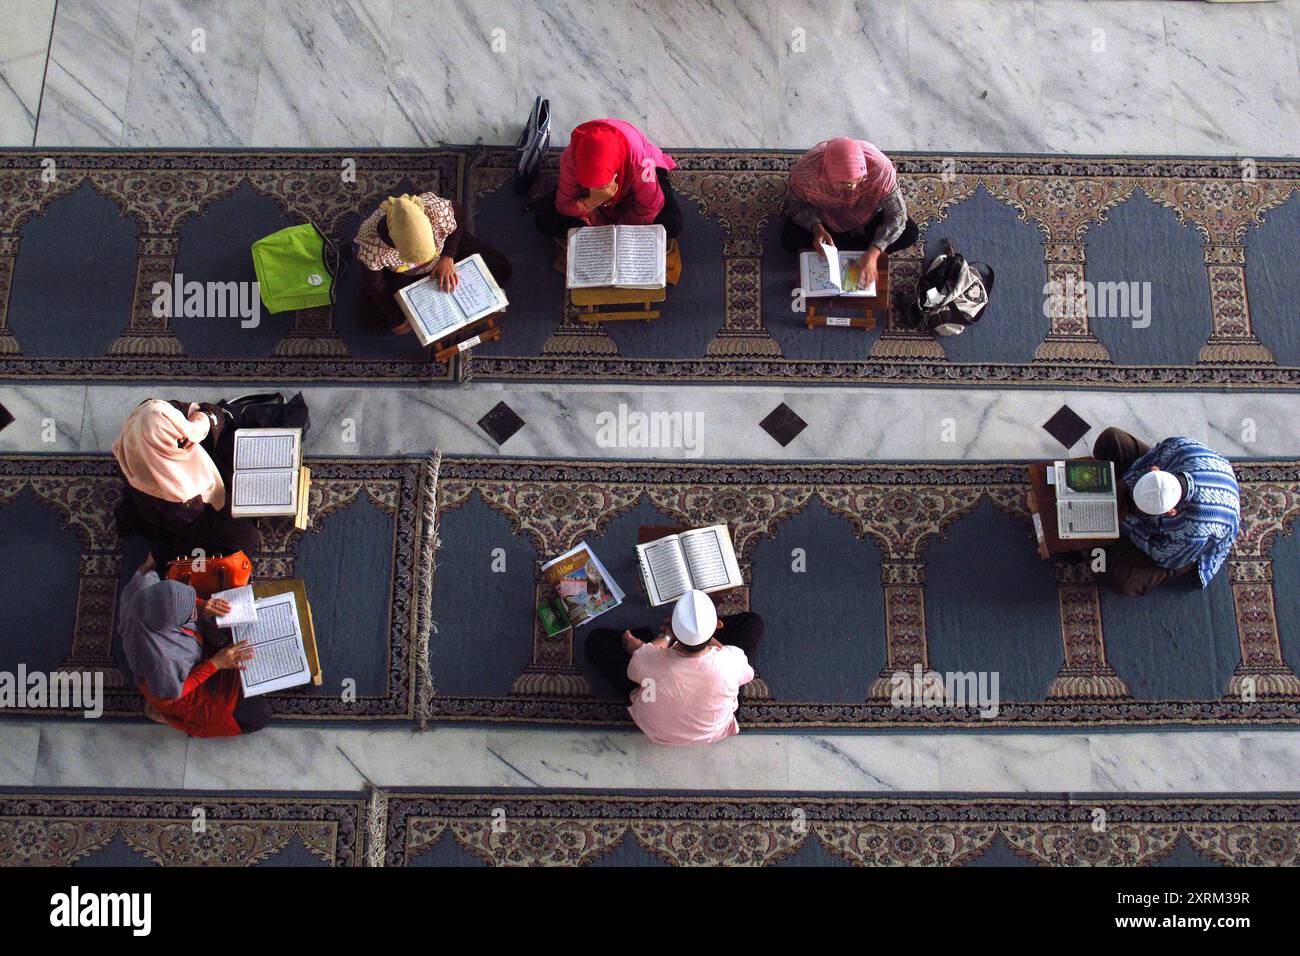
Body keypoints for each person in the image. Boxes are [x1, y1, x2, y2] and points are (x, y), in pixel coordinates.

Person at [118, 553, 271, 737]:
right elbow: (172, 695)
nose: (199, 607)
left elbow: (148, 568)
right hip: (181, 689)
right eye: (192, 611)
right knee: (259, 715)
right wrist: (216, 663)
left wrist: (201, 605)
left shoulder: (140, 590)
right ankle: (167, 719)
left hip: (187, 655)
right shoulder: (164, 662)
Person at [584, 590, 763, 745]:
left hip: (656, 727)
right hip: (714, 730)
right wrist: (704, 637)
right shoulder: (730, 661)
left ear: (673, 629)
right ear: (717, 626)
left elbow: (641, 657)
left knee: (596, 641)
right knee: (753, 623)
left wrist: (661, 639)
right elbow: (745, 673)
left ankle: (656, 636)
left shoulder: (648, 659)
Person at [1091, 427, 1241, 597]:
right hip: (1197, 471)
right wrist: (1123, 489)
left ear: (1171, 512)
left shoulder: (1195, 530)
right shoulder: (1180, 447)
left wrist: (1122, 523)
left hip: (1188, 551)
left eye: (1142, 511)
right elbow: (1141, 465)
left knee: (1123, 581)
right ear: (1156, 471)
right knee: (1112, 439)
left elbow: (1167, 558)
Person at [112, 398, 259, 569]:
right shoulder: (175, 495)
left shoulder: (154, 412)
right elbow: (199, 516)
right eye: (175, 436)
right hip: (186, 517)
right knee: (246, 538)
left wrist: (199, 425)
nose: (183, 434)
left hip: (187, 481)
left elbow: (205, 411)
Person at [355, 191, 512, 335]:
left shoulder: (436, 210)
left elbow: (460, 215)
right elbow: (375, 284)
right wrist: (397, 318)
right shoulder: (372, 246)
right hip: (405, 272)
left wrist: (448, 256)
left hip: (443, 254)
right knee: (370, 317)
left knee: (500, 268)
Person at [782, 137, 919, 292]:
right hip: (827, 217)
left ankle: (858, 254)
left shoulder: (880, 168)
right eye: (846, 184)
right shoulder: (804, 174)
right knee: (789, 239)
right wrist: (817, 228)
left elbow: (897, 215)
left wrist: (874, 252)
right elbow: (797, 206)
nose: (854, 188)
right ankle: (856, 252)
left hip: (868, 216)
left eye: (861, 180)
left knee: (909, 233)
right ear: (826, 176)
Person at [534, 118, 682, 240]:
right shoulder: (570, 159)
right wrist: (594, 201)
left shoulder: (638, 158)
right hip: (590, 205)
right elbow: (564, 204)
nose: (596, 188)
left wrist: (620, 231)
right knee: (544, 218)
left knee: (671, 223)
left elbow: (650, 204)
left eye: (600, 184)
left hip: (633, 189)